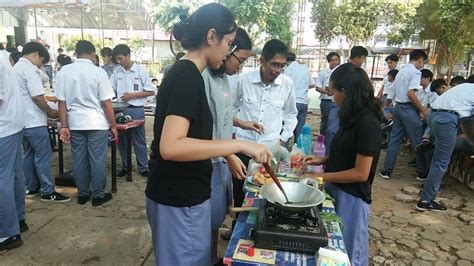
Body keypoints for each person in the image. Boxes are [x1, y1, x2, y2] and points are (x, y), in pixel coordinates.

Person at [145, 4, 272, 265]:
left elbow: (190, 135)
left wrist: (233, 146)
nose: (228, 52)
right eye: (228, 42)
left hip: (176, 193)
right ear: (211, 37)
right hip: (181, 197)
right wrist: (237, 145)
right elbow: (171, 146)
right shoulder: (188, 77)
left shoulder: (184, 72)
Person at [303, 63, 382, 265]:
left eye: (333, 91)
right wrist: (322, 160)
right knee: (333, 250)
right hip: (337, 189)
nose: (332, 96)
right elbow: (347, 154)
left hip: (353, 197)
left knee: (348, 253)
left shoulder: (367, 123)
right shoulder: (351, 118)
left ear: (345, 92)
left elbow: (360, 173)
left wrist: (320, 176)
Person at [202, 27, 257, 265]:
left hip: (221, 155)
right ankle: (208, 257)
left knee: (216, 215)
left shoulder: (223, 78)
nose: (240, 67)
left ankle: (212, 255)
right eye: (241, 60)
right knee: (207, 217)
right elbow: (203, 126)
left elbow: (221, 113)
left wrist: (242, 122)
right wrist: (230, 152)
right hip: (208, 157)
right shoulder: (202, 77)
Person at [231, 38, 297, 212]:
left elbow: (291, 114)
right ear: (262, 61)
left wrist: (282, 141)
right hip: (243, 148)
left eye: (282, 66)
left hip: (269, 151)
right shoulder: (243, 80)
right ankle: (238, 226)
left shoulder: (287, 85)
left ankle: (260, 225)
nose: (278, 70)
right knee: (239, 191)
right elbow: (230, 108)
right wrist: (235, 130)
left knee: (268, 190)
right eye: (274, 64)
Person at [55, 40, 117, 206]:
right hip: (96, 122)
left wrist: (64, 125)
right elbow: (106, 102)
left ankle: (83, 194)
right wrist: (113, 125)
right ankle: (98, 195)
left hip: (75, 122)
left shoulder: (64, 72)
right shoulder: (98, 72)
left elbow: (61, 102)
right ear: (92, 54)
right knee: (97, 159)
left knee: (79, 159)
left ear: (76, 53)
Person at [14, 42, 70, 202]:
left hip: (21, 121)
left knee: (29, 154)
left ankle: (31, 187)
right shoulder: (29, 70)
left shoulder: (16, 68)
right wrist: (51, 112)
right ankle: (47, 191)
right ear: (35, 55)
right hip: (34, 120)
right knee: (43, 155)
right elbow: (38, 97)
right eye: (41, 61)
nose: (41, 65)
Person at [416, 79, 474, 211]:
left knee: (442, 153)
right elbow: (468, 122)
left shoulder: (464, 87)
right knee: (441, 162)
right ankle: (425, 200)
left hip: (433, 117)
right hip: (446, 120)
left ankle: (434, 143)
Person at [379, 49, 429, 180]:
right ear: (419, 60)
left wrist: (388, 102)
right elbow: (411, 93)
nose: (422, 65)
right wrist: (422, 109)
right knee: (418, 141)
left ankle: (386, 170)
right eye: (423, 62)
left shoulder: (401, 71)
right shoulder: (415, 72)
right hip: (408, 108)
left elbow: (392, 89)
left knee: (394, 140)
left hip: (398, 107)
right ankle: (423, 171)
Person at [110, 44, 155, 177]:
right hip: (121, 110)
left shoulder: (140, 71)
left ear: (128, 55)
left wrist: (132, 95)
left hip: (136, 109)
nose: (119, 62)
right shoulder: (117, 71)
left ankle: (143, 167)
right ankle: (126, 166)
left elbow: (151, 91)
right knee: (122, 141)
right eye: (117, 59)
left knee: (139, 140)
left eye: (121, 58)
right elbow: (109, 86)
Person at [0, 48, 27, 251]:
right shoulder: (4, 57)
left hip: (3, 127)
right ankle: (18, 219)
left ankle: (7, 233)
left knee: (2, 179)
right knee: (13, 174)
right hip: (13, 124)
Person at [325, 46, 368, 154]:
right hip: (338, 106)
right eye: (363, 58)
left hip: (355, 107)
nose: (363, 61)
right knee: (333, 131)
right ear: (358, 58)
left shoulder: (362, 72)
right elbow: (330, 89)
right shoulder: (340, 70)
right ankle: (330, 155)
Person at [284, 52, 316, 141]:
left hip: (292, 102)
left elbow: (284, 86)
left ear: (286, 61)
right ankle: (298, 150)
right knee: (300, 128)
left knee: (287, 127)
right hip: (304, 102)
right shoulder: (305, 68)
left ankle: (284, 149)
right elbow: (312, 85)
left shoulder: (288, 70)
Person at [315, 52, 340, 138]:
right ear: (328, 62)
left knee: (335, 122)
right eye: (332, 60)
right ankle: (322, 141)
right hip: (326, 101)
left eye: (336, 60)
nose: (334, 62)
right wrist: (328, 93)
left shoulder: (341, 72)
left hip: (338, 102)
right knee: (325, 122)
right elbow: (317, 87)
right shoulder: (323, 73)